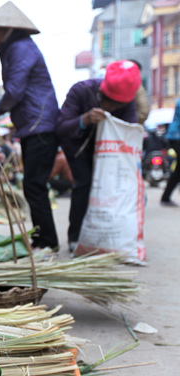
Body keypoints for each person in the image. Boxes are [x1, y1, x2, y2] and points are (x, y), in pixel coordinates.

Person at [0, 1, 60, 250]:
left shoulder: (20, 49)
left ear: (5, 30)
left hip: (40, 126)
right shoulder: (15, 49)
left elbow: (15, 92)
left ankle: (47, 241)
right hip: (34, 127)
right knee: (33, 185)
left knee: (34, 185)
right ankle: (43, 239)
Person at [55, 60, 141, 252]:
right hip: (77, 148)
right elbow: (61, 127)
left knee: (116, 188)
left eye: (117, 106)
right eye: (110, 103)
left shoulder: (127, 103)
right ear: (101, 92)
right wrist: (84, 119)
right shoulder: (80, 91)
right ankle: (75, 237)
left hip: (109, 153)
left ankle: (114, 236)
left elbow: (130, 130)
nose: (112, 108)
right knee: (84, 184)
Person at [161, 97, 180, 206]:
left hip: (175, 136)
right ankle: (165, 198)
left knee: (178, 171)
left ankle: (166, 198)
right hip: (176, 136)